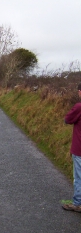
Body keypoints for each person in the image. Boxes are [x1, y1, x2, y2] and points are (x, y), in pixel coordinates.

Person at [62, 83, 81, 212]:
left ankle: (77, 203)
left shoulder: (79, 107)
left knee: (79, 177)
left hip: (79, 149)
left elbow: (67, 119)